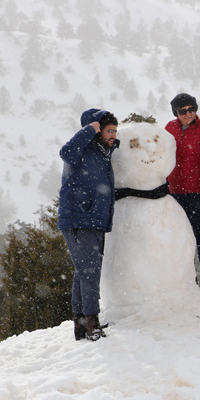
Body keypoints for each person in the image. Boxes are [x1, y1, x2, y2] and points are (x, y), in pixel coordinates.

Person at [58, 108, 119, 341]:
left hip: (94, 221)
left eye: (115, 130)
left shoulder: (104, 152)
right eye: (108, 130)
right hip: (78, 219)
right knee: (90, 273)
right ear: (96, 130)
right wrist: (90, 128)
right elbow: (65, 151)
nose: (113, 135)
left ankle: (81, 324)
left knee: (83, 273)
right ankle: (93, 323)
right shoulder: (81, 149)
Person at [165, 93, 200, 296]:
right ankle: (185, 279)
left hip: (198, 192)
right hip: (174, 192)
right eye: (183, 111)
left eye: (192, 109)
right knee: (178, 238)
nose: (188, 114)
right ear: (175, 113)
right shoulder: (170, 128)